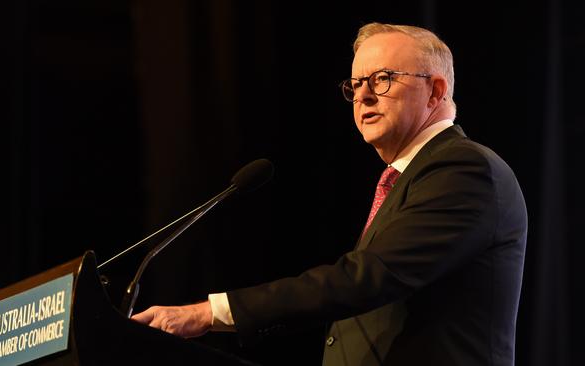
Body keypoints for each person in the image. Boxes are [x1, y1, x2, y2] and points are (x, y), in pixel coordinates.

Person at [131, 22, 527, 366]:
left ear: (435, 91)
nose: (363, 96)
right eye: (355, 84)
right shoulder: (410, 176)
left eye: (382, 79)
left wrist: (210, 312)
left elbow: (367, 278)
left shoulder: (464, 170)